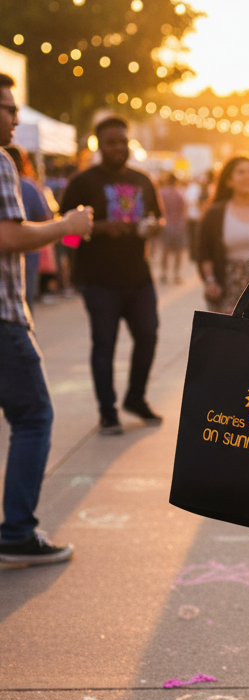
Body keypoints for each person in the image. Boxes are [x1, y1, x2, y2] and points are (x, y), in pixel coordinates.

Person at [0, 72, 93, 566]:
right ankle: (16, 531)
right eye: (7, 108)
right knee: (34, 417)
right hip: (3, 318)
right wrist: (68, 225)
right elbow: (9, 237)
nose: (15, 117)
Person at [60, 115, 164, 436]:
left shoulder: (143, 179)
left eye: (123, 141)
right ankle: (108, 410)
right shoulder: (83, 182)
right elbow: (67, 236)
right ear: (99, 145)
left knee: (148, 336)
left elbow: (158, 221)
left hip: (138, 277)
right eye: (112, 142)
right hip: (98, 279)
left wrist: (152, 227)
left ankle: (135, 397)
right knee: (104, 345)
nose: (119, 148)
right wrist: (101, 229)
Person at [197, 153, 249, 314]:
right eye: (240, 172)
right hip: (227, 284)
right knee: (229, 337)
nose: (248, 177)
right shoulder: (215, 213)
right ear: (229, 181)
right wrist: (211, 282)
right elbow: (204, 252)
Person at [4, 144, 53, 306]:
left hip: (20, 256)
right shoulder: (29, 186)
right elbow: (45, 217)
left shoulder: (28, 186)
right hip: (28, 255)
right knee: (25, 306)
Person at [158, 171, 186, 284]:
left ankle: (164, 273)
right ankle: (176, 274)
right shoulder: (179, 194)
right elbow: (184, 210)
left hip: (166, 225)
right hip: (178, 225)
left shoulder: (162, 193)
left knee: (165, 250)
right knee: (178, 252)